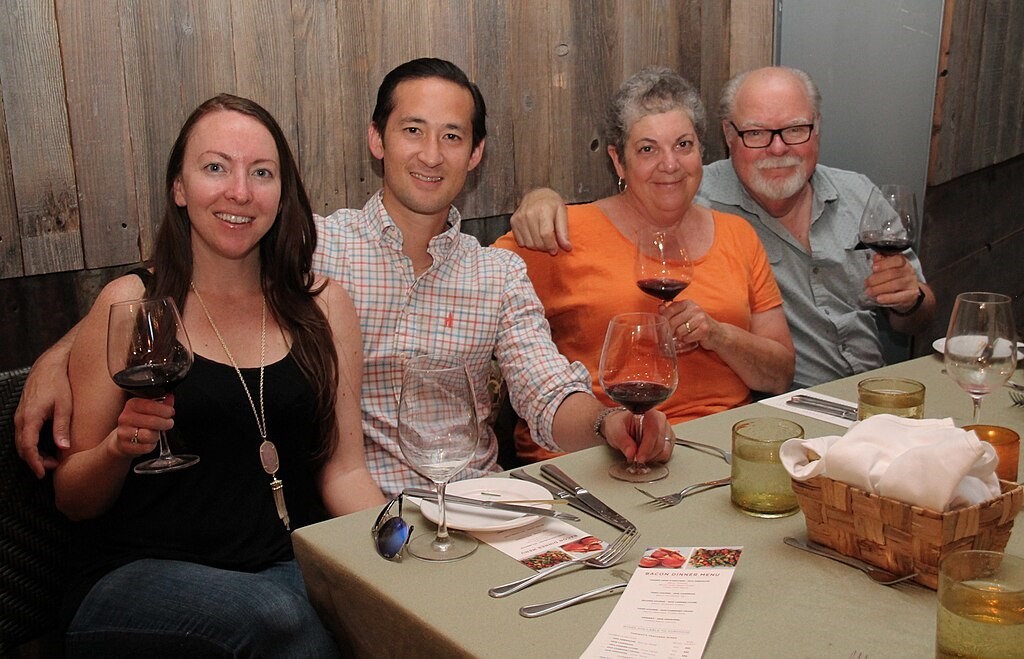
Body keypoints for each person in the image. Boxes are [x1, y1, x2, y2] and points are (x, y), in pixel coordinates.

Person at [16, 58, 672, 496]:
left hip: (484, 509)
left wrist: (611, 424)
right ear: (377, 139)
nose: (430, 153)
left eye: (452, 136)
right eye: (413, 130)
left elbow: (549, 397)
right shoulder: (313, 248)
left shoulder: (498, 273)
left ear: (474, 155)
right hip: (361, 516)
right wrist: (61, 352)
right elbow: (175, 283)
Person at [54, 94, 376, 655]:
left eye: (261, 172)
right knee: (286, 617)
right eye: (215, 168)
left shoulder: (323, 307)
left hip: (283, 569)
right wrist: (117, 448)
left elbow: (344, 472)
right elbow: (73, 499)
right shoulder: (135, 304)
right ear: (179, 188)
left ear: (283, 192)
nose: (240, 192)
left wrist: (401, 539)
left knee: (366, 611)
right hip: (136, 579)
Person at [509, 66, 936, 390]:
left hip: (877, 388)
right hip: (787, 410)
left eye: (795, 129)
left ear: (817, 129)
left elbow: (919, 316)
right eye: (757, 133)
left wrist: (909, 301)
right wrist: (540, 197)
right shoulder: (688, 192)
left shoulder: (856, 193)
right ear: (729, 136)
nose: (778, 147)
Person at [492, 67, 795, 462]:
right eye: (648, 149)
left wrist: (718, 335)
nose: (669, 164)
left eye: (683, 145)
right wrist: (535, 198)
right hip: (599, 452)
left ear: (701, 152)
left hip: (719, 449)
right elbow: (473, 286)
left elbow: (780, 375)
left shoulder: (737, 234)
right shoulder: (561, 235)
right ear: (618, 161)